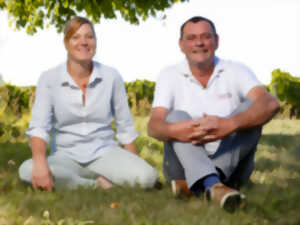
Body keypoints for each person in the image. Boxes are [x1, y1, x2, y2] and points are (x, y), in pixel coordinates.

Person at [147, 16, 280, 211]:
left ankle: (195, 185)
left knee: (251, 110)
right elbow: (153, 126)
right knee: (174, 117)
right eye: (191, 38)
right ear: (181, 45)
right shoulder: (168, 74)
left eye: (205, 36)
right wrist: (178, 129)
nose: (199, 43)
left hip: (232, 166)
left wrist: (230, 124)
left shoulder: (236, 70)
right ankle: (213, 185)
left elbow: (271, 103)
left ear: (216, 41)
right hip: (182, 163)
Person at [19, 16, 157, 191]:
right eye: (76, 37)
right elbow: (39, 128)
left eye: (89, 37)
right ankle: (94, 185)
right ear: (66, 43)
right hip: (65, 157)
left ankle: (76, 181)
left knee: (147, 178)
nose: (83, 42)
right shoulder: (49, 78)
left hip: (104, 153)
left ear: (95, 42)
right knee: (26, 170)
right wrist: (39, 163)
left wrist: (132, 166)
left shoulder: (111, 76)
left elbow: (125, 127)